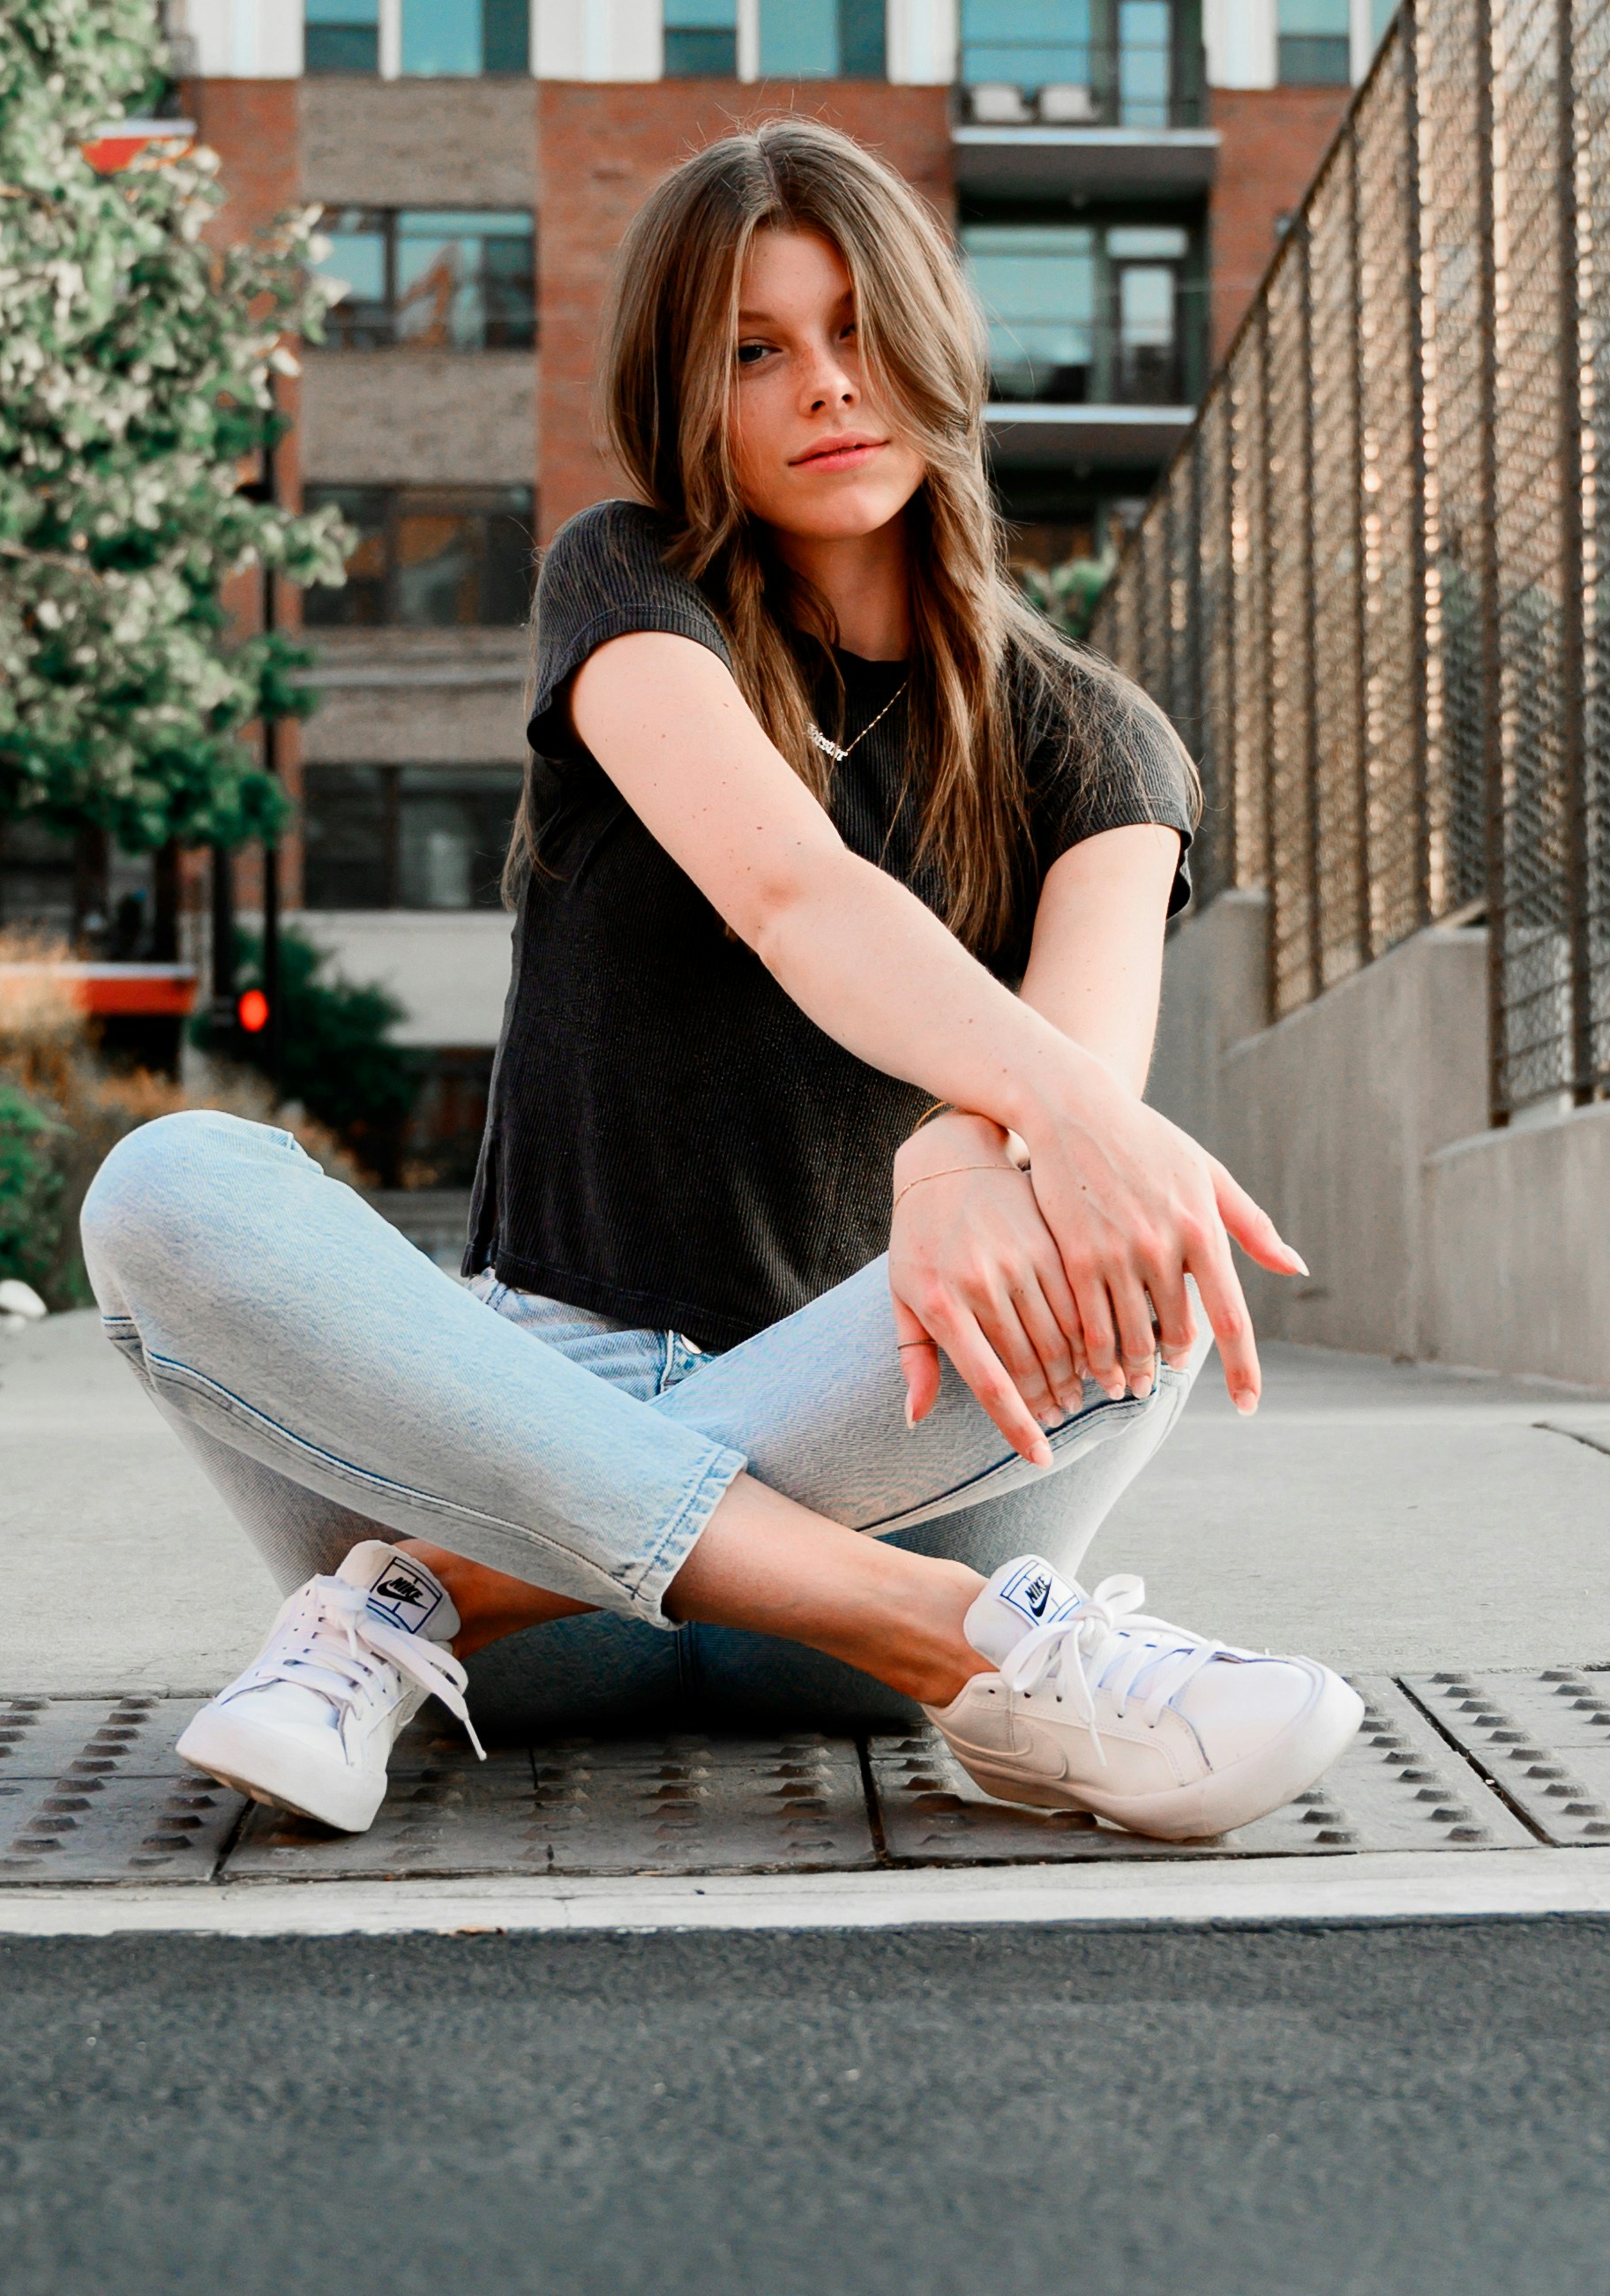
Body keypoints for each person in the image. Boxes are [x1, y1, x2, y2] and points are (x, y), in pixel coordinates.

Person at [81, 120, 1359, 1846]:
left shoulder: (1099, 742)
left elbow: (1083, 1081)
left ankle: (399, 1606)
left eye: (856, 328)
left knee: (1134, 1241)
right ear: (689, 392)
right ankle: (974, 1655)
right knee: (169, 1184)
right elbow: (791, 887)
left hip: (868, 1463)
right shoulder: (628, 588)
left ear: (933, 337)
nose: (827, 386)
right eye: (757, 350)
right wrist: (1027, 1115)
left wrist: (980, 1147)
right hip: (553, 1446)